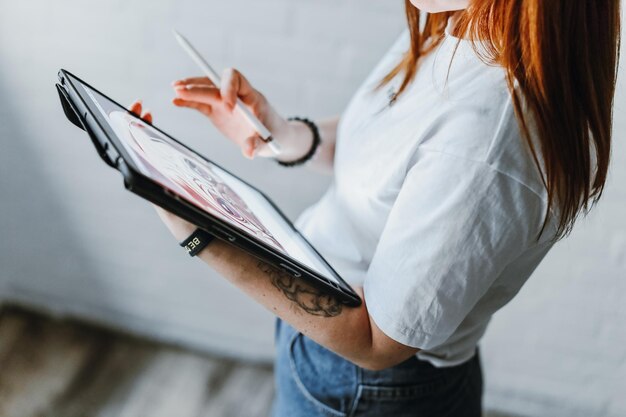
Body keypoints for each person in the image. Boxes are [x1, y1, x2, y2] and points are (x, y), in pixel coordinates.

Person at [131, 0, 621, 415]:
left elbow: (376, 342)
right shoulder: (455, 23)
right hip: (320, 336)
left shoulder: (487, 140)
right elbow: (392, 147)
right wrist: (277, 133)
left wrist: (200, 233)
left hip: (366, 386)